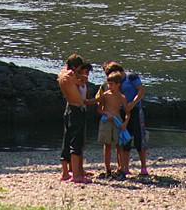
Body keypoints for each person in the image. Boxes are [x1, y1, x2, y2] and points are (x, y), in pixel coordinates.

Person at [99, 61, 149, 176]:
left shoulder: (131, 77)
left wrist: (133, 103)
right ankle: (124, 167)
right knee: (124, 139)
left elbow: (141, 90)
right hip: (121, 111)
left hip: (135, 109)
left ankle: (144, 167)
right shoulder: (115, 82)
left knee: (139, 138)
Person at [57, 54, 91, 184]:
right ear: (76, 66)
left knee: (67, 140)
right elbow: (76, 80)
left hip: (69, 107)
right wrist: (80, 78)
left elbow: (74, 78)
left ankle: (66, 173)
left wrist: (80, 77)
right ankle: (76, 175)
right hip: (76, 109)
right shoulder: (70, 75)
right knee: (76, 142)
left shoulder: (62, 74)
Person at [97, 71, 130, 179]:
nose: (109, 86)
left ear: (118, 84)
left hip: (117, 121)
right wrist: (106, 113)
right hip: (107, 121)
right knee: (107, 145)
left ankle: (121, 168)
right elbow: (99, 109)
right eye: (108, 84)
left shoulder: (122, 97)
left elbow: (127, 113)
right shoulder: (105, 95)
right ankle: (107, 168)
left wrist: (125, 123)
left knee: (119, 145)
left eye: (111, 84)